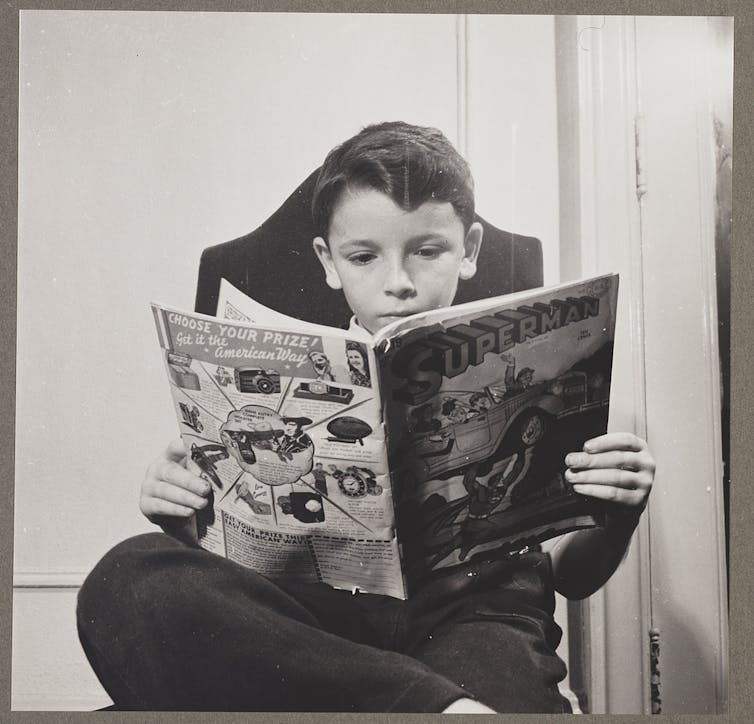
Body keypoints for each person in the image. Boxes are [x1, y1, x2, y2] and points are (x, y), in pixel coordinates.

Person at [77, 121, 655, 713]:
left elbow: (570, 578)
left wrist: (616, 518)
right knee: (125, 577)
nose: (398, 284)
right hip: (315, 625)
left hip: (477, 613)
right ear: (329, 262)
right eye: (364, 257)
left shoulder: (539, 376)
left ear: (470, 250)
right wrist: (183, 513)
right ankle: (432, 707)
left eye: (428, 251)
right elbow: (231, 554)